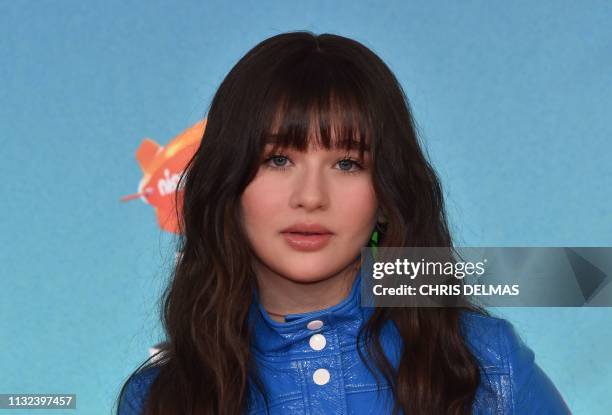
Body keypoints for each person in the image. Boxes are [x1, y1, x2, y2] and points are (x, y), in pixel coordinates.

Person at [116, 31, 571, 414]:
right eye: (278, 159)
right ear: (228, 183)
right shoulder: (161, 398)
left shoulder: (488, 364)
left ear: (386, 192)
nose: (311, 197)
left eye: (348, 164)